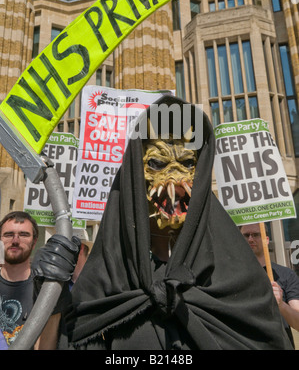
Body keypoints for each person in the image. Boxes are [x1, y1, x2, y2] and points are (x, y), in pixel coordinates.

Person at [31, 95, 292, 350]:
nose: (175, 181)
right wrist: (52, 299)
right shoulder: (105, 283)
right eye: (157, 164)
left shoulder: (241, 280)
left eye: (188, 163)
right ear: (135, 176)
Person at [240, 222, 299, 347]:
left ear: (266, 240)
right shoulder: (232, 276)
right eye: (246, 235)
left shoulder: (286, 275)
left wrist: (281, 305)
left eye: (256, 234)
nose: (250, 239)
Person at [0, 211, 38, 348]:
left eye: (23, 234)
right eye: (9, 234)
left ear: (34, 242)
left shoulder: (45, 289)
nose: (15, 241)